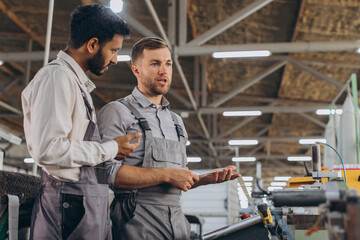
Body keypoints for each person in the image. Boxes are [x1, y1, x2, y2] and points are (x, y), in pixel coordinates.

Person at [97, 37, 240, 240]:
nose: (164, 70)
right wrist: (167, 174)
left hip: (177, 223)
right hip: (135, 223)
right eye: (155, 64)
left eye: (168, 64)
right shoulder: (117, 112)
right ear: (136, 70)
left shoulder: (176, 122)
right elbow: (107, 173)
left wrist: (202, 180)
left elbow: (177, 178)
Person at [21, 5, 142, 240]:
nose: (116, 59)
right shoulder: (56, 78)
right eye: (114, 50)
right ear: (92, 44)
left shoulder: (76, 83)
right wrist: (111, 148)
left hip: (80, 205)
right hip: (66, 208)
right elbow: (49, 149)